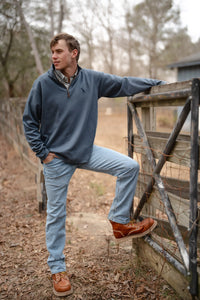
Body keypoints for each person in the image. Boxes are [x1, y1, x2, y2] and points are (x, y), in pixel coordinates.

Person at [23, 32, 164, 297]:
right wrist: (43, 154)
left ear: (73, 53)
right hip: (56, 159)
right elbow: (29, 121)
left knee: (129, 167)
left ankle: (120, 223)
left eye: (58, 51)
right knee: (56, 213)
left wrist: (157, 83)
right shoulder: (42, 84)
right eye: (52, 52)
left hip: (85, 151)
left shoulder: (93, 80)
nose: (53, 56)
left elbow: (123, 84)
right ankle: (57, 269)